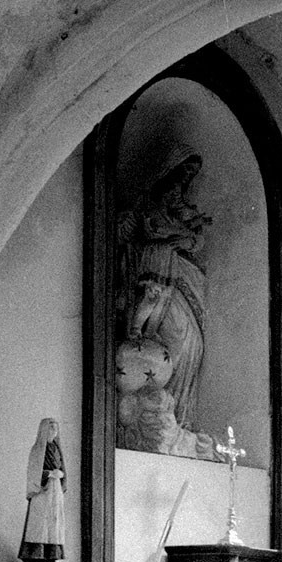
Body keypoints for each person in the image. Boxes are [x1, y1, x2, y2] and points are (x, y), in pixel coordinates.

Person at [116, 146, 210, 441]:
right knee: (175, 340)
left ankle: (178, 418)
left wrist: (187, 238)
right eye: (181, 174)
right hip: (159, 275)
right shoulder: (148, 210)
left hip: (183, 282)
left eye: (188, 176)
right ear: (168, 174)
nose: (182, 184)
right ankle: (159, 415)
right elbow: (125, 234)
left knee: (192, 345)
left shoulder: (181, 213)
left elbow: (195, 240)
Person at [19, 418, 66, 562]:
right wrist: (49, 474)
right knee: (40, 521)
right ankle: (35, 555)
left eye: (56, 428)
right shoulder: (37, 449)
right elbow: (33, 471)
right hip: (42, 489)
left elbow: (62, 467)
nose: (54, 431)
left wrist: (61, 474)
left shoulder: (57, 449)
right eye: (51, 428)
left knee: (54, 520)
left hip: (55, 488)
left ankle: (53, 554)